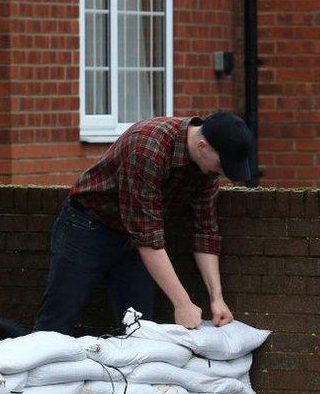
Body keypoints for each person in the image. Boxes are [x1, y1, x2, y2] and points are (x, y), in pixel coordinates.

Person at [33, 111, 254, 336]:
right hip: (88, 227)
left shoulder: (206, 170)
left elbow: (204, 231)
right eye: (220, 165)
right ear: (202, 146)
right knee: (57, 323)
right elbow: (148, 236)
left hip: (133, 240)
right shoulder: (148, 147)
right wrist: (182, 303)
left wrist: (216, 299)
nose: (222, 173)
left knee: (139, 330)